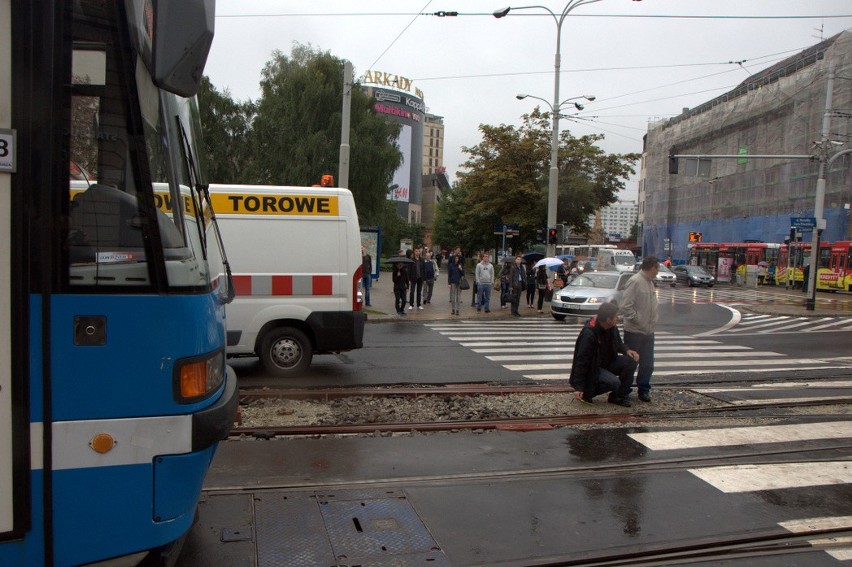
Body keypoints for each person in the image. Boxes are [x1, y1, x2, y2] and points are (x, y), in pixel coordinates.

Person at [570, 302, 639, 407]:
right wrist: (578, 387)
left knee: (631, 361)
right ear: (608, 320)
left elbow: (618, 343)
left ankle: (618, 396)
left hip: (608, 363)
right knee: (614, 382)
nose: (618, 318)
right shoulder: (590, 333)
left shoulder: (612, 328)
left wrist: (627, 350)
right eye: (615, 316)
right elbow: (581, 360)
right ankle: (588, 393)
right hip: (593, 368)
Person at [618, 256, 659, 403]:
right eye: (657, 268)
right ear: (651, 267)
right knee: (631, 363)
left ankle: (644, 389)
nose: (658, 271)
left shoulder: (650, 282)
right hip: (634, 331)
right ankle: (623, 391)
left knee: (648, 364)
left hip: (648, 331)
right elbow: (625, 306)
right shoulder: (635, 281)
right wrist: (637, 319)